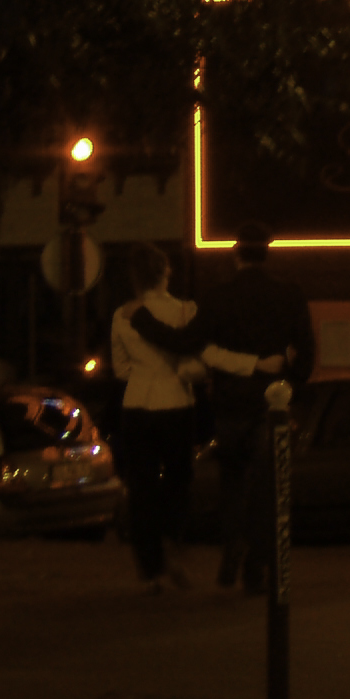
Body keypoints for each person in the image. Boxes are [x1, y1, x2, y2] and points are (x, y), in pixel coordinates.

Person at [138, 224, 316, 595]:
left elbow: (187, 341)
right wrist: (291, 382)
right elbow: (308, 353)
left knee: (233, 485)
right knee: (268, 489)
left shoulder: (219, 297)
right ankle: (257, 567)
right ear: (266, 255)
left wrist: (144, 323)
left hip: (231, 406)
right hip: (271, 405)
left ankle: (232, 548)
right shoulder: (289, 296)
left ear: (236, 256)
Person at [107, 244, 210, 592]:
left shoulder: (122, 315)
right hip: (176, 401)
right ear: (163, 272)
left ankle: (149, 570)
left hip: (136, 404)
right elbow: (194, 355)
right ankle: (172, 540)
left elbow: (121, 368)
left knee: (141, 487)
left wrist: (141, 373)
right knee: (179, 478)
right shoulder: (184, 311)